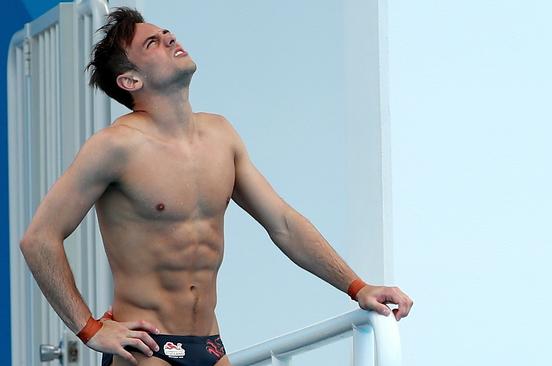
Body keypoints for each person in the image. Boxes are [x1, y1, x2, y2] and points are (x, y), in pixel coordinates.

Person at [19, 7, 413, 366]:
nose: (171, 39)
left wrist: (357, 286)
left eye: (167, 33)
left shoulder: (220, 135)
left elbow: (284, 223)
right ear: (130, 79)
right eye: (152, 43)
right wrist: (88, 328)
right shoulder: (114, 147)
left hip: (210, 345)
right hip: (146, 349)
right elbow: (39, 240)